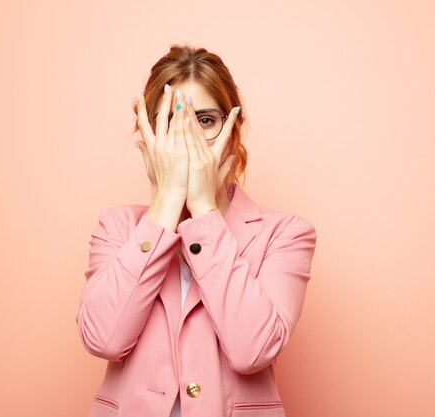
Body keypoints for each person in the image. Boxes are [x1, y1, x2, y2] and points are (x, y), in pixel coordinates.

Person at [75, 44, 318, 417]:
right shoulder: (118, 227)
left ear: (233, 133)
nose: (186, 137)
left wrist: (204, 210)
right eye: (169, 122)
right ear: (148, 139)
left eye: (204, 120)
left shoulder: (286, 234)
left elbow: (252, 350)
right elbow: (103, 339)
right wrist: (166, 205)